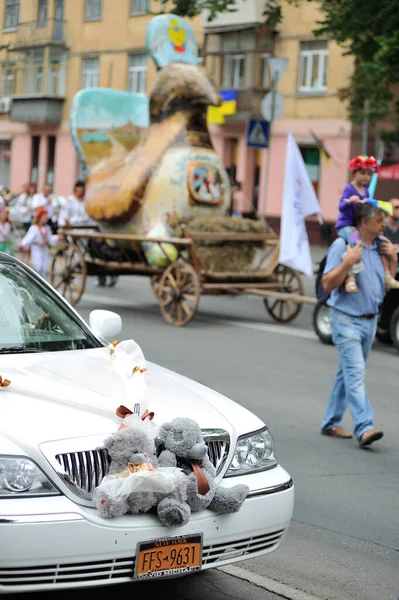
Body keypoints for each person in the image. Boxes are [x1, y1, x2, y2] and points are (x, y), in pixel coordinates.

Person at [320, 202, 396, 447]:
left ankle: (331, 422)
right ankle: (365, 426)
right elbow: (327, 284)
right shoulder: (343, 245)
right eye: (379, 219)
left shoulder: (378, 247)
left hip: (370, 320)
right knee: (355, 374)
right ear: (364, 222)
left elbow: (386, 284)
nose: (384, 223)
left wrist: (393, 259)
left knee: (347, 373)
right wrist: (348, 261)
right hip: (346, 320)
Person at [335, 155, 399, 292]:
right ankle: (351, 277)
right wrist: (349, 201)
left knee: (382, 242)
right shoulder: (349, 188)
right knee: (355, 243)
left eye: (369, 174)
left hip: (359, 225)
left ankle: (387, 274)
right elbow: (341, 206)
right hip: (347, 225)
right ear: (354, 173)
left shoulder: (366, 191)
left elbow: (367, 209)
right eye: (363, 173)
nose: (366, 177)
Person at [58, 180, 117, 287]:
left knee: (98, 248)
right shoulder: (69, 201)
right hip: (75, 231)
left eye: (82, 189)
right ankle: (76, 277)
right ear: (75, 189)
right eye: (79, 189)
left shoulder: (87, 201)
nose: (81, 191)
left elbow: (93, 216)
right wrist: (65, 227)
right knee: (77, 254)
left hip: (88, 231)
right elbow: (63, 217)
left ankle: (105, 273)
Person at [19, 208, 60, 279]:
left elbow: (49, 239)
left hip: (44, 249)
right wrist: (23, 245)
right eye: (44, 216)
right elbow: (28, 238)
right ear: (39, 218)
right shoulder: (34, 228)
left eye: (46, 216)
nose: (46, 218)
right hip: (36, 249)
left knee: (44, 267)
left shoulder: (47, 228)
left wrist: (57, 237)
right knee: (37, 266)